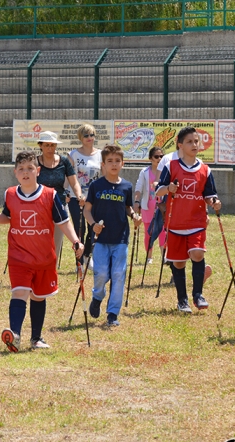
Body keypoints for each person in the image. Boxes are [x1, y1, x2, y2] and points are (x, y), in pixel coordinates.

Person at [0, 150, 83, 352]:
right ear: (15, 172)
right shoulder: (10, 194)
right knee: (19, 293)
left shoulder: (50, 195)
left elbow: (63, 222)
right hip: (18, 256)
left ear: (38, 171)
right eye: (21, 169)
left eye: (30, 168)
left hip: (43, 258)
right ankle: (14, 335)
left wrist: (76, 241)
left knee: (38, 296)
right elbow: (7, 215)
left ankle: (36, 338)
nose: (25, 172)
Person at [155, 127, 220, 314]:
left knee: (198, 254)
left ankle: (198, 295)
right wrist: (169, 188)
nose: (194, 145)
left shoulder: (206, 170)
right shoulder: (171, 166)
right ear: (180, 144)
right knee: (179, 263)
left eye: (196, 141)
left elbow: (209, 195)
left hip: (196, 221)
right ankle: (182, 300)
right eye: (190, 141)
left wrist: (214, 202)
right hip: (175, 222)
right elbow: (158, 191)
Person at [83, 145, 142, 326]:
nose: (114, 164)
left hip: (120, 238)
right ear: (103, 165)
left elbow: (127, 207)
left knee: (118, 274)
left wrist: (134, 216)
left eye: (117, 161)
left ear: (122, 163)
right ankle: (97, 296)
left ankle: (112, 313)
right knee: (101, 273)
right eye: (110, 161)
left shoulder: (126, 186)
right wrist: (93, 225)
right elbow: (87, 210)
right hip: (100, 239)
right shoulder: (96, 185)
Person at [36, 131, 83, 259]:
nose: (50, 148)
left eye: (52, 145)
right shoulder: (35, 163)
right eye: (47, 145)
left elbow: (74, 183)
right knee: (39, 244)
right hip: (39, 208)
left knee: (55, 246)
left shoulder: (64, 162)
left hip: (60, 206)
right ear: (40, 145)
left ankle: (51, 275)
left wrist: (79, 196)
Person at [68, 124, 102, 248]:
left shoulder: (101, 154)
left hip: (94, 198)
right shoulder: (73, 154)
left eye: (92, 135)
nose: (89, 137)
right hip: (76, 198)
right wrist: (65, 193)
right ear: (80, 138)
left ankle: (88, 254)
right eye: (86, 135)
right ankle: (79, 262)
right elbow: (69, 176)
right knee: (79, 229)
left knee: (93, 227)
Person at [134, 146, 167, 263]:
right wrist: (137, 201)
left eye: (161, 156)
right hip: (148, 207)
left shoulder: (166, 172)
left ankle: (164, 256)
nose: (159, 159)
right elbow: (139, 188)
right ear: (150, 158)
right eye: (156, 156)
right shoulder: (144, 172)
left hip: (162, 206)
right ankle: (149, 257)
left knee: (163, 231)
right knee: (149, 232)